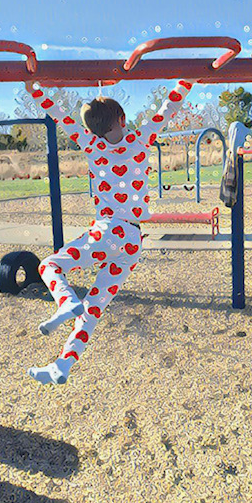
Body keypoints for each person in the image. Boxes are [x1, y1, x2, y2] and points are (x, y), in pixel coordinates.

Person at [25, 79, 193, 384]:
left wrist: (35, 90)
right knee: (92, 307)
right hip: (131, 240)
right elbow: (168, 108)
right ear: (123, 120)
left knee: (49, 265)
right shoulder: (141, 139)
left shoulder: (91, 144)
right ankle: (62, 364)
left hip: (108, 233)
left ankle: (64, 301)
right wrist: (187, 81)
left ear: (89, 129)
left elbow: (59, 116)